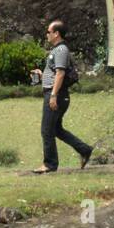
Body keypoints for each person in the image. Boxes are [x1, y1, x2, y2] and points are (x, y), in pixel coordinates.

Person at [30, 20, 92, 173]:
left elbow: (60, 73)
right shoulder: (57, 50)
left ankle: (50, 164)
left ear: (56, 33)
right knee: (56, 129)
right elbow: (55, 72)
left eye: (48, 32)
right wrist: (42, 74)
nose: (47, 35)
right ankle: (84, 150)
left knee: (46, 130)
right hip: (56, 94)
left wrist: (53, 95)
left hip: (56, 95)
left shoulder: (61, 50)